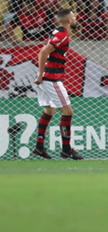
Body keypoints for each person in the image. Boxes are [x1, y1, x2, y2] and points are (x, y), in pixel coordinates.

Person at [31, 9, 84, 160]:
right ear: (69, 20)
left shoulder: (57, 32)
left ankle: (39, 147)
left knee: (49, 111)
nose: (75, 19)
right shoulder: (62, 35)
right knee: (68, 113)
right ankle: (67, 149)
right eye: (74, 17)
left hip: (46, 77)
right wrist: (41, 74)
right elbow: (43, 52)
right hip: (51, 78)